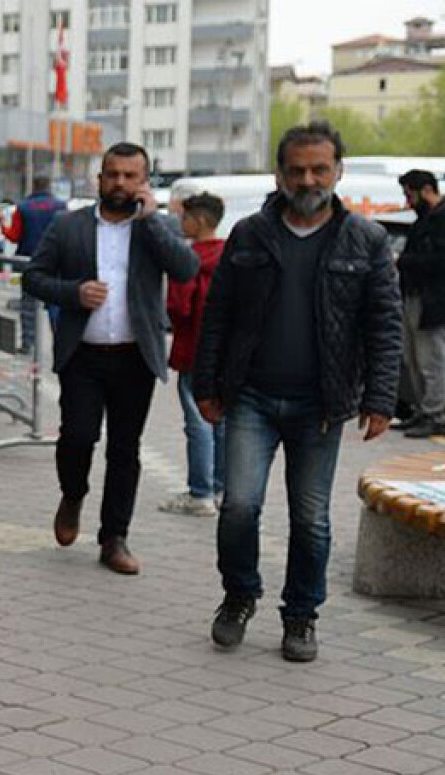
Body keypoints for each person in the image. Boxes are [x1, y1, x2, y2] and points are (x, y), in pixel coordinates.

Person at [194, 122, 403, 662]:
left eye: (319, 169)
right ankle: (238, 597)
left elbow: (384, 325)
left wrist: (381, 399)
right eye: (296, 169)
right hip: (252, 398)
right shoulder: (250, 234)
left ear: (338, 171)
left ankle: (301, 616)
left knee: (311, 518)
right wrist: (207, 384)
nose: (307, 179)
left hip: (321, 405)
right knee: (238, 505)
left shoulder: (367, 240)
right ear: (279, 173)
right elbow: (217, 314)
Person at [23, 142, 199, 575]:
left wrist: (153, 219)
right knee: (78, 438)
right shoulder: (70, 227)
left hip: (134, 357)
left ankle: (114, 538)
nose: (120, 183)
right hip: (83, 355)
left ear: (144, 182)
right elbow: (33, 277)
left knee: (125, 450)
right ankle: (73, 493)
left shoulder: (157, 228)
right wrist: (73, 293)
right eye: (113, 174)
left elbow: (186, 269)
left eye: (130, 176)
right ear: (99, 179)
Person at [159, 192, 227, 517]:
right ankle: (220, 488)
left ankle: (199, 493)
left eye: (184, 218)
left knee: (197, 421)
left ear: (198, 221)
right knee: (222, 420)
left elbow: (179, 308)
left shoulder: (187, 260)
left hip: (193, 350)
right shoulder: (231, 255)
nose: (180, 224)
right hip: (225, 354)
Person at [395, 169, 445, 438]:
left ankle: (434, 414)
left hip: (436, 301)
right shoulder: (429, 218)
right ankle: (423, 410)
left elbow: (443, 259)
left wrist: (402, 261)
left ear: (426, 190)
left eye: (410, 194)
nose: (408, 201)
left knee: (431, 360)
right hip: (419, 297)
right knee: (415, 359)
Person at [1, 176, 66, 353]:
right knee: (55, 304)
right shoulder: (61, 206)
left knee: (29, 305)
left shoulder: (22, 208)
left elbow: (14, 236)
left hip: (29, 262)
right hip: (55, 262)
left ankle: (27, 343)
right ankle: (60, 342)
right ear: (48, 186)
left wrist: (2, 227)